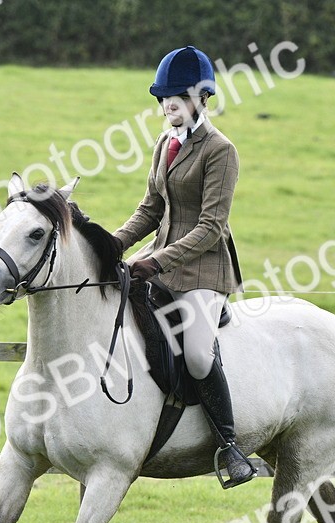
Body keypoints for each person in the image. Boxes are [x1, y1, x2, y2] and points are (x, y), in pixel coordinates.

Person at [112, 45, 255, 489]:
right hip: (160, 265)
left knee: (195, 351)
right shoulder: (165, 143)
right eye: (163, 97)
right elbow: (151, 207)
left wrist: (154, 261)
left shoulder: (221, 151)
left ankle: (229, 447)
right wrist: (111, 244)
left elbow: (212, 227)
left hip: (204, 273)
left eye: (176, 96)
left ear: (201, 97)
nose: (166, 104)